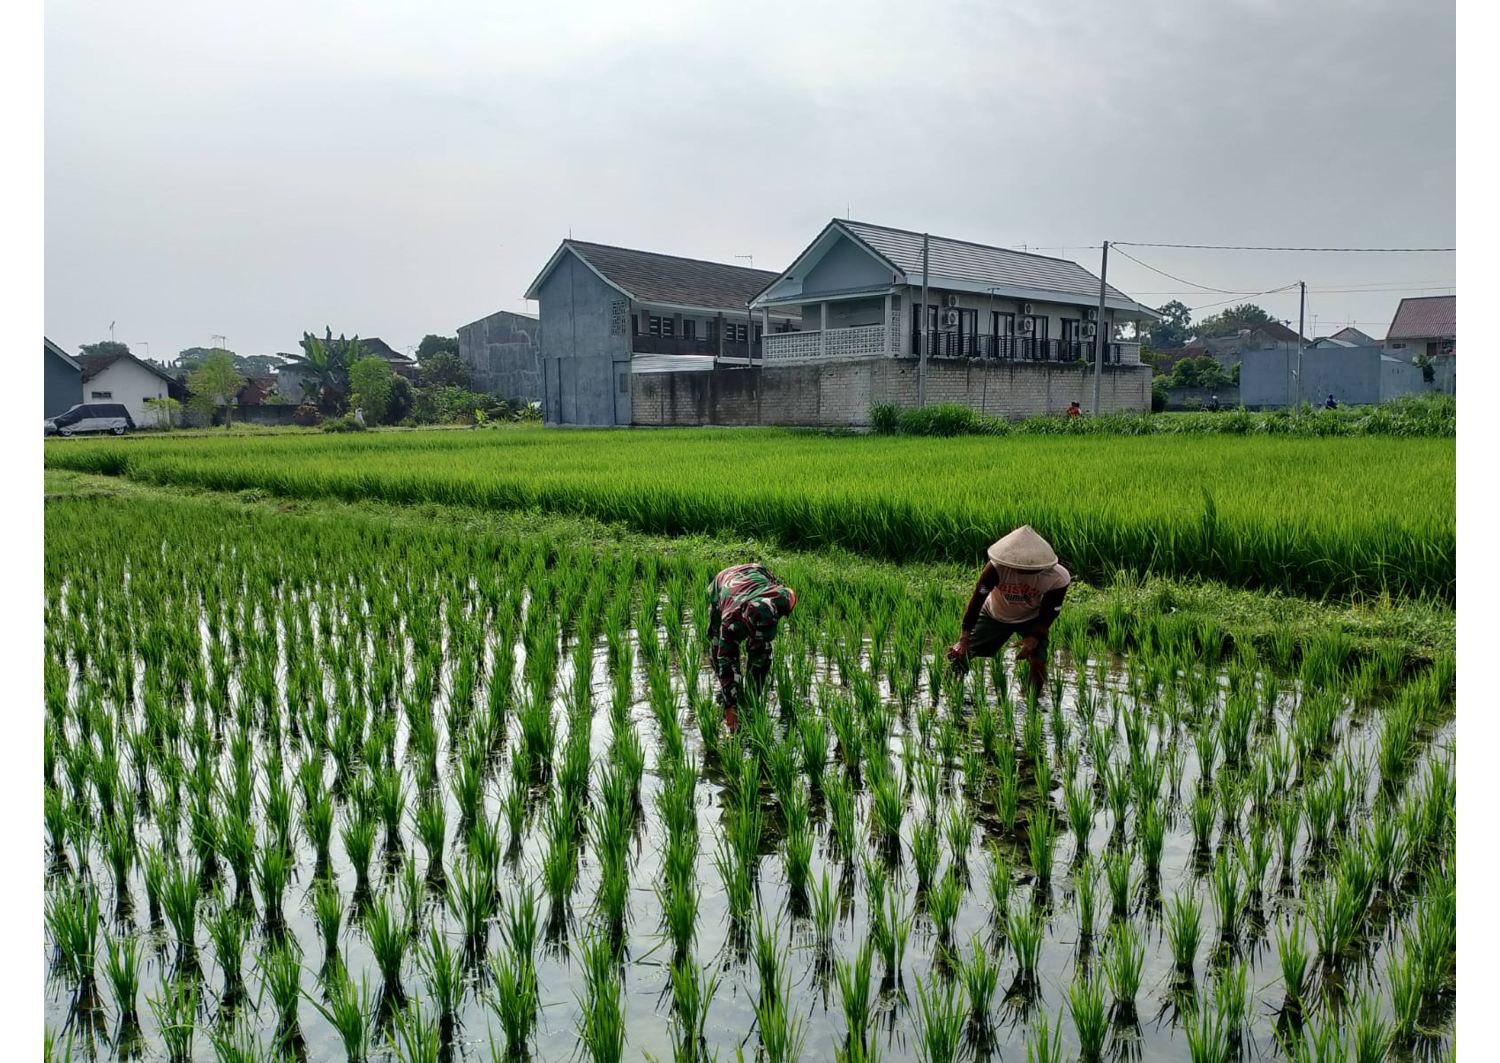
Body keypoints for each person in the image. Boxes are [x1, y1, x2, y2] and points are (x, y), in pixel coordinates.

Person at [945, 525, 1071, 698]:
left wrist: (1034, 637)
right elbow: (977, 600)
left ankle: (1032, 703)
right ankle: (948, 694)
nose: (1023, 569)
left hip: (1031, 618)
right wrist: (963, 639)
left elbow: (1050, 612)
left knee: (1038, 662)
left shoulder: (1058, 577)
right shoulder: (996, 568)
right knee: (962, 654)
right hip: (994, 614)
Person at [707, 563, 797, 732]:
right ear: (746, 623)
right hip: (723, 583)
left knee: (762, 654)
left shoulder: (782, 598)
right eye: (755, 635)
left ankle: (751, 698)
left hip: (758, 570)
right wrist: (730, 709)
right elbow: (727, 662)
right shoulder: (730, 621)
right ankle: (729, 696)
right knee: (718, 653)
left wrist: (760, 641)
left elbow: (792, 593)